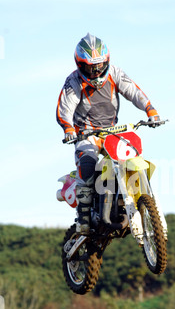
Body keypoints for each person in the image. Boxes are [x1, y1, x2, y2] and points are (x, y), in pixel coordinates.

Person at [57, 33, 160, 234]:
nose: (95, 71)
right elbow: (64, 110)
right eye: (89, 67)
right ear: (80, 65)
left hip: (112, 132)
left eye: (98, 65)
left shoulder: (114, 73)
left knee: (132, 156)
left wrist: (150, 109)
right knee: (87, 166)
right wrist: (68, 129)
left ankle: (133, 201)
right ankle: (84, 220)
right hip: (86, 134)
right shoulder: (73, 82)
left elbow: (133, 91)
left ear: (106, 61)